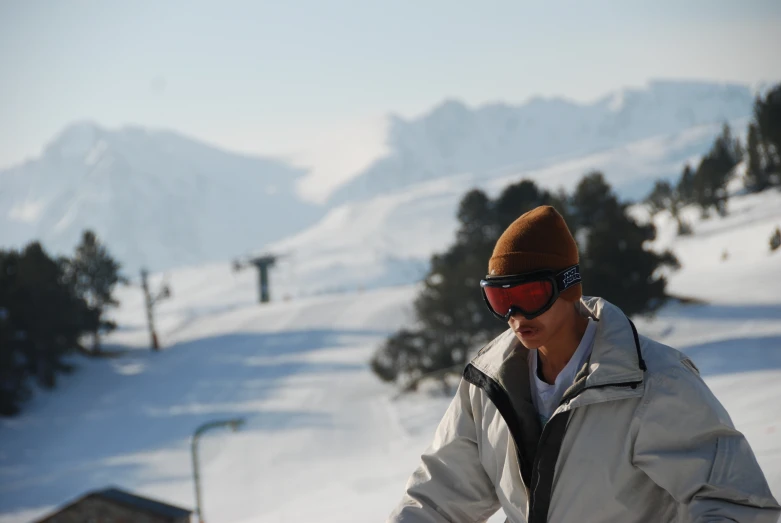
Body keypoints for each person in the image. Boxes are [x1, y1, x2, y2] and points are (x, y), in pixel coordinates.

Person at [389, 206, 780, 523]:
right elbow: (437, 499)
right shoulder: (489, 387)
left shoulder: (654, 384)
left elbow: (736, 505)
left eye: (530, 294)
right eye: (500, 299)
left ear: (568, 286)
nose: (516, 315)